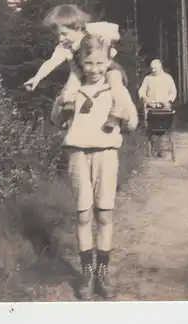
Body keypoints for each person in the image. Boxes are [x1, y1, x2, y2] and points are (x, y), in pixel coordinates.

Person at [51, 33, 138, 301]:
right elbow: (56, 119)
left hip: (106, 155)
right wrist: (64, 105)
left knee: (104, 215)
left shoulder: (115, 89)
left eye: (100, 63)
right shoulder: (71, 89)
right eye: (89, 63)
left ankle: (103, 273)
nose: (95, 69)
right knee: (83, 216)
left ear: (109, 62)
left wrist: (121, 113)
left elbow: (132, 122)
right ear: (79, 62)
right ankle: (86, 274)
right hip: (78, 154)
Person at [23, 4, 129, 131]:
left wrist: (107, 37)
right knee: (74, 76)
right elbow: (51, 62)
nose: (61, 39)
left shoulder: (92, 30)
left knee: (115, 79)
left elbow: (115, 30)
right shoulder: (64, 47)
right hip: (84, 74)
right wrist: (36, 78)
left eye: (64, 34)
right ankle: (69, 107)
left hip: (108, 68)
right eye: (58, 36)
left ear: (78, 27)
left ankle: (118, 109)